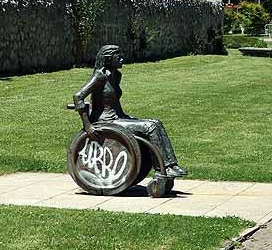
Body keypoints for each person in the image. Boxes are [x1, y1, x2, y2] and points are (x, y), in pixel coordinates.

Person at [73, 45, 188, 178]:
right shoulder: (100, 76)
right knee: (150, 127)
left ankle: (171, 165)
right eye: (118, 57)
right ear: (108, 59)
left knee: (156, 123)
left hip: (117, 118)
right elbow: (78, 96)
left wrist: (126, 117)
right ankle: (163, 168)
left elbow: (114, 102)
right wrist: (88, 125)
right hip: (106, 121)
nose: (122, 59)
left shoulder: (116, 76)